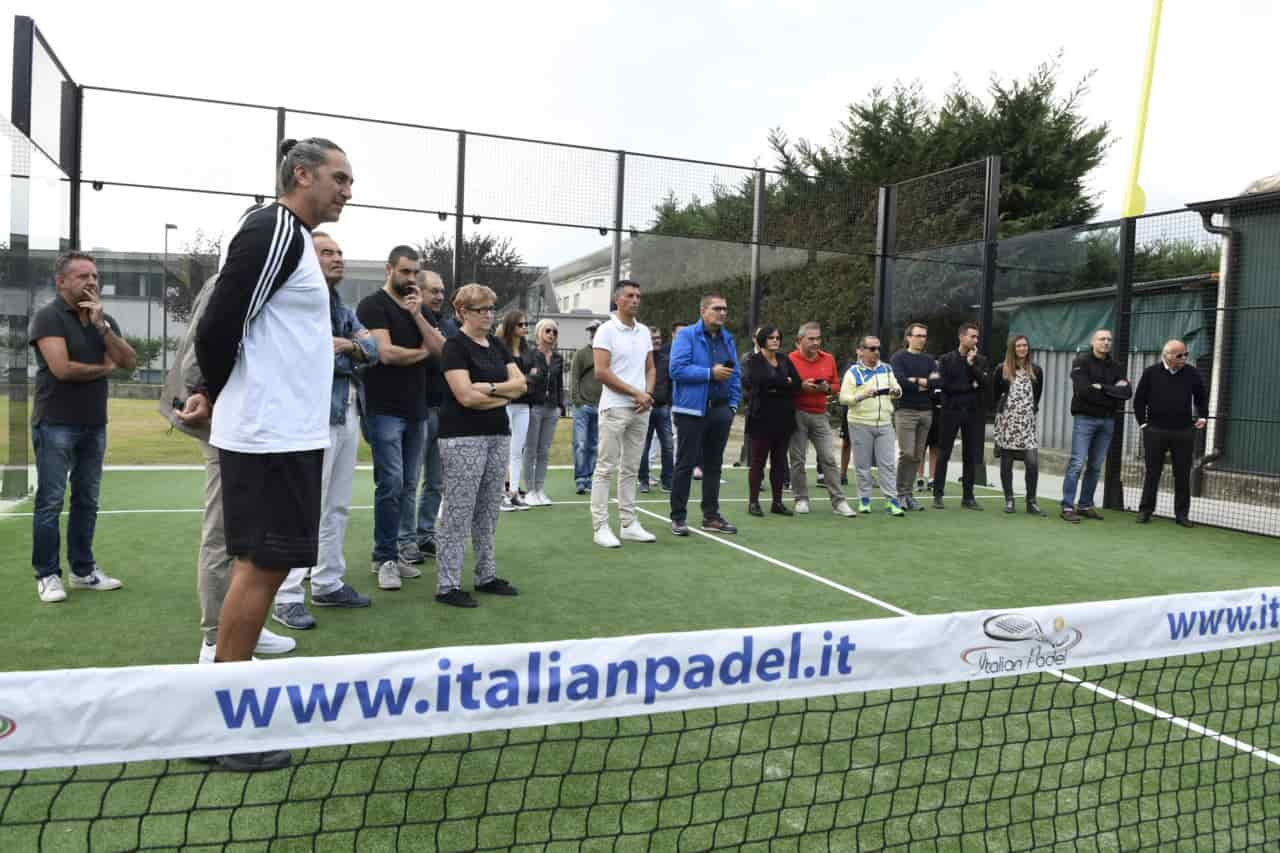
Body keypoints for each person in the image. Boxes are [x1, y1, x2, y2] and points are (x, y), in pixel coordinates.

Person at [194, 136, 352, 771]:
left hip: (283, 434)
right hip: (269, 436)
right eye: (338, 177)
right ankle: (222, 727)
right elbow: (218, 322)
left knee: (259, 568)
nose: (347, 189)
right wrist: (217, 392)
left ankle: (224, 704)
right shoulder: (275, 229)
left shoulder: (287, 235)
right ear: (301, 174)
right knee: (261, 568)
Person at [162, 275, 297, 661]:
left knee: (251, 530)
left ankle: (240, 627)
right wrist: (202, 398)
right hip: (226, 423)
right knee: (223, 530)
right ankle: (214, 639)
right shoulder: (237, 278)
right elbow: (202, 349)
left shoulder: (272, 279)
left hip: (255, 423)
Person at [271, 232, 378, 630]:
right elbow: (307, 356)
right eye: (327, 253)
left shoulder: (342, 308)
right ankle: (286, 595)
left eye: (339, 252)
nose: (337, 258)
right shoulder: (295, 303)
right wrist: (346, 349)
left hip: (347, 412)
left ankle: (328, 581)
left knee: (337, 504)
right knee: (304, 506)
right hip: (310, 417)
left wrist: (346, 347)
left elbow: (373, 350)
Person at [29, 251, 137, 603]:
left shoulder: (104, 321)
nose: (91, 282)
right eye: (82, 277)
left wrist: (102, 327)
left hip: (94, 424)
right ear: (61, 282)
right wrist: (104, 370)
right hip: (54, 424)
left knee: (87, 500)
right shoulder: (48, 317)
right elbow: (62, 369)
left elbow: (129, 362)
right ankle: (47, 575)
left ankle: (82, 571)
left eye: (94, 276)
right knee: (50, 501)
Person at [357, 246, 444, 590]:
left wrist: (419, 315)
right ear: (388, 269)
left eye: (414, 273)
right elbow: (386, 354)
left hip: (416, 410)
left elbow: (443, 350)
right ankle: (384, 558)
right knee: (390, 485)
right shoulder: (372, 306)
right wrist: (425, 353)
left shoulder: (418, 308)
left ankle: (399, 550)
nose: (410, 279)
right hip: (384, 411)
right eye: (404, 272)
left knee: (409, 484)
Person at [436, 284, 525, 607]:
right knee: (458, 514)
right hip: (461, 438)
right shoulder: (454, 347)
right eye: (481, 309)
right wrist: (501, 394)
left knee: (488, 511)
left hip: (497, 435)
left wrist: (487, 388)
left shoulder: (497, 345)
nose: (489, 315)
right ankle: (447, 585)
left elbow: (521, 386)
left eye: (491, 309)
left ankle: (485, 576)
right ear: (462, 312)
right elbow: (464, 396)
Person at [590, 280, 657, 547]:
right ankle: (601, 527)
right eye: (630, 295)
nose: (636, 300)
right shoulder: (606, 331)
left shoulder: (643, 331)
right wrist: (636, 393)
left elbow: (650, 368)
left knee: (630, 468)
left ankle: (629, 524)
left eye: (638, 295)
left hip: (641, 408)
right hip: (615, 407)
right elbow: (601, 372)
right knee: (605, 468)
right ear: (617, 300)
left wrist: (647, 395)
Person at [668, 294, 741, 536]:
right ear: (703, 311)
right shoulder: (686, 335)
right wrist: (709, 373)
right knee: (685, 464)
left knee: (714, 465)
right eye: (717, 308)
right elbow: (676, 369)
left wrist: (731, 405)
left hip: (720, 410)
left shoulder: (727, 339)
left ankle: (711, 516)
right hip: (690, 411)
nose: (722, 313)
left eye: (725, 309)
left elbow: (735, 374)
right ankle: (678, 517)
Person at [1133, 339, 1208, 528]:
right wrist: (1143, 425)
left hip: (1183, 431)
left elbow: (1201, 397)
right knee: (1152, 472)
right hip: (1155, 431)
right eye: (1179, 355)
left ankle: (1182, 515)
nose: (1184, 358)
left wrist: (1203, 416)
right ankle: (1145, 511)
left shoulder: (1191, 373)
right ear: (1166, 355)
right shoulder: (1151, 373)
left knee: (1182, 474)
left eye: (1186, 354)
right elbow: (1139, 400)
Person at [410, 270, 458, 559]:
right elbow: (437, 352)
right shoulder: (411, 320)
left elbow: (448, 352)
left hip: (444, 410)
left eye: (442, 291)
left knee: (436, 480)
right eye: (433, 291)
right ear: (420, 292)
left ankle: (425, 534)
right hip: (419, 410)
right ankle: (405, 542)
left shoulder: (448, 325)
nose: (440, 296)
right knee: (410, 479)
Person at [786, 322, 856, 518]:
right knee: (798, 459)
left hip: (820, 414)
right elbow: (785, 385)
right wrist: (801, 387)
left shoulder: (828, 359)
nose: (816, 343)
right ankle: (801, 499)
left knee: (828, 458)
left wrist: (826, 388)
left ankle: (839, 501)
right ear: (800, 340)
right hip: (797, 413)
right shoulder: (790, 359)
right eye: (811, 339)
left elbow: (836, 385)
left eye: (818, 338)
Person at [1061, 329, 1130, 523]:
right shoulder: (1081, 362)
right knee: (1077, 463)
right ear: (1093, 342)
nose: (1106, 342)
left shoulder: (1116, 366)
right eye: (1102, 339)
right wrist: (1112, 393)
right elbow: (1083, 391)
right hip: (1085, 419)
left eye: (1109, 339)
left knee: (1096, 465)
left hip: (1107, 420)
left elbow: (1126, 392)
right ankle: (1067, 506)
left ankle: (1085, 505)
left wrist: (1102, 388)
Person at [839, 334, 904, 516]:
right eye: (872, 349)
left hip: (884, 422)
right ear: (861, 351)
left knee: (888, 464)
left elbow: (898, 389)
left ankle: (892, 500)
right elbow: (843, 398)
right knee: (862, 464)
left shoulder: (887, 369)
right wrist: (862, 396)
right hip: (859, 422)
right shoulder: (853, 372)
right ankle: (864, 499)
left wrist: (896, 391)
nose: (876, 352)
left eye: (878, 349)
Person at [742, 325, 800, 517]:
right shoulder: (754, 360)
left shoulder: (784, 359)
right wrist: (785, 382)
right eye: (771, 337)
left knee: (779, 462)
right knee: (758, 462)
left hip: (783, 417)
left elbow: (797, 383)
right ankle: (753, 502)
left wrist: (779, 384)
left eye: (777, 337)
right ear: (762, 341)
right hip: (761, 417)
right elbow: (758, 382)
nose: (775, 340)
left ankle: (777, 502)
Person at [933, 322, 990, 510]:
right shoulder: (946, 359)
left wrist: (971, 365)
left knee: (970, 455)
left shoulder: (980, 360)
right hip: (951, 412)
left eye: (977, 337)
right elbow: (945, 385)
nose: (975, 340)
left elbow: (984, 384)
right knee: (944, 453)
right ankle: (938, 495)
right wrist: (968, 387)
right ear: (962, 337)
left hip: (973, 413)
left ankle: (968, 497)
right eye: (972, 336)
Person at [992, 335, 1046, 516]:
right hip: (1007, 421)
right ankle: (1009, 499)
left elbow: (1037, 395)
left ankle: (1031, 501)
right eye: (1018, 346)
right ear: (1012, 348)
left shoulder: (1036, 370)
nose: (1022, 348)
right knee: (1006, 462)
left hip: (1027, 423)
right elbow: (995, 393)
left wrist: (1028, 411)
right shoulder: (1002, 369)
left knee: (1032, 463)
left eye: (1025, 345)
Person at [890, 323, 939, 512]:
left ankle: (908, 495)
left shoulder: (929, 360)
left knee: (918, 456)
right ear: (908, 337)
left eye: (924, 336)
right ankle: (899, 494)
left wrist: (916, 381)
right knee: (907, 453)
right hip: (906, 411)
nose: (921, 339)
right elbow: (900, 381)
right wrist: (923, 382)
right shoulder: (898, 357)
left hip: (926, 412)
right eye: (918, 335)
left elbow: (938, 381)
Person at [520, 318, 563, 507]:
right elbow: (523, 379)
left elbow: (559, 384)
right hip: (534, 407)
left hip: (551, 408)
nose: (551, 335)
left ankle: (539, 489)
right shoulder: (529, 355)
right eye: (548, 331)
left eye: (554, 332)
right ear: (539, 333)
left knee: (544, 450)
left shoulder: (558, 358)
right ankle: (529, 490)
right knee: (531, 449)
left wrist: (560, 405)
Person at [496, 310, 532, 511]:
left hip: (524, 405)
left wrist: (524, 380)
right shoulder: (501, 349)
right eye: (520, 325)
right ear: (511, 326)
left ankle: (514, 493)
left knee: (517, 451)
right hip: (506, 403)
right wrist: (522, 380)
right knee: (504, 450)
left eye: (526, 324)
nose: (525, 328)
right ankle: (500, 494)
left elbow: (536, 376)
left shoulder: (527, 350)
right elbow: (504, 376)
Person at [639, 325, 674, 494]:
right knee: (643, 446)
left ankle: (667, 481)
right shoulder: (640, 358)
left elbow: (671, 382)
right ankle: (643, 480)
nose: (657, 341)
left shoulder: (667, 358)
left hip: (663, 408)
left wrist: (669, 401)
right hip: (645, 408)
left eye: (659, 338)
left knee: (668, 445)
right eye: (653, 339)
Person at [570, 320, 603, 495]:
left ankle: (590, 477)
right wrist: (577, 400)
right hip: (583, 405)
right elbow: (574, 377)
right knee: (581, 443)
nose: (594, 333)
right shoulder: (582, 354)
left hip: (601, 405)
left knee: (594, 445)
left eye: (597, 330)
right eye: (592, 330)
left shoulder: (606, 354)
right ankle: (581, 478)